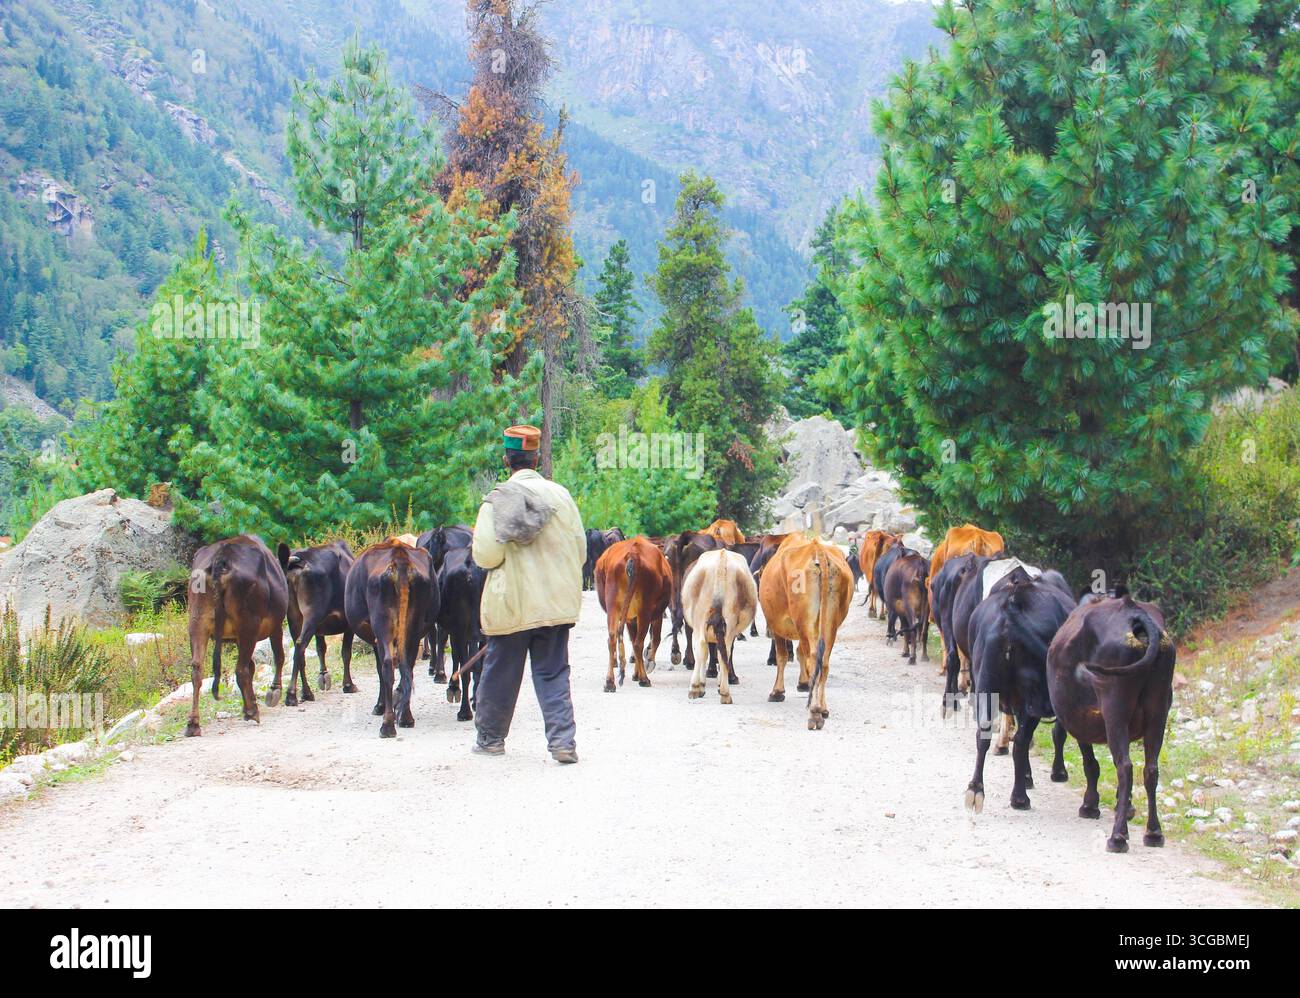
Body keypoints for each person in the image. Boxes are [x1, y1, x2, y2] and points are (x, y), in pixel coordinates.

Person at [470, 425, 586, 763]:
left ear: (507, 459)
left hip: (512, 605)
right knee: (553, 671)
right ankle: (563, 742)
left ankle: (491, 739)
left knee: (501, 671)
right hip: (554, 605)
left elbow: (486, 557)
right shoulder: (562, 496)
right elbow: (580, 551)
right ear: (537, 457)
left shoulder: (497, 499)